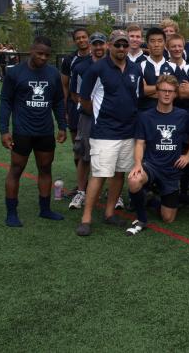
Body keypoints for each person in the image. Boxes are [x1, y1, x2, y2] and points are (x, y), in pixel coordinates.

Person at [76, 30, 142, 236]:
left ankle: (109, 212)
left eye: (124, 45)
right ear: (109, 46)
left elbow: (136, 96)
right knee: (99, 175)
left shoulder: (135, 68)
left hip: (128, 132)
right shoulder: (97, 69)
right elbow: (84, 100)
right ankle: (86, 218)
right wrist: (100, 116)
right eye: (117, 45)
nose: (121, 48)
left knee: (119, 173)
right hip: (104, 132)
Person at [0, 36, 67, 227]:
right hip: (22, 131)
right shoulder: (15, 73)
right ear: (31, 50)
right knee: (16, 169)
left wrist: (62, 126)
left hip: (45, 131)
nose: (43, 57)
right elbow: (5, 102)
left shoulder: (53, 73)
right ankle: (11, 213)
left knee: (45, 169)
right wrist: (4, 130)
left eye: (47, 54)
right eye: (40, 53)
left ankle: (45, 210)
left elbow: (58, 101)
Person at [125, 75, 189, 235]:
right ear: (157, 92)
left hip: (171, 171)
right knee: (134, 179)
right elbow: (139, 143)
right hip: (151, 166)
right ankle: (142, 219)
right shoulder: (145, 116)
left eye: (170, 91)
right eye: (163, 90)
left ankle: (150, 200)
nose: (166, 94)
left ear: (175, 94)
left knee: (168, 218)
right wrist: (138, 164)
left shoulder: (182, 115)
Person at [67, 33, 108, 210]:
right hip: (87, 116)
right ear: (91, 46)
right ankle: (81, 192)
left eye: (101, 44)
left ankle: (112, 194)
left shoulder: (114, 65)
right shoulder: (81, 67)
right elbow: (75, 94)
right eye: (95, 44)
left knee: (109, 156)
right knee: (84, 154)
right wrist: (91, 108)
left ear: (106, 45)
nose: (98, 48)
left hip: (108, 117)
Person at [60, 28, 90, 148]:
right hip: (75, 106)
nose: (81, 40)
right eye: (78, 38)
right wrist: (65, 110)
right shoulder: (69, 60)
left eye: (84, 37)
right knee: (77, 147)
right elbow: (65, 86)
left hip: (93, 105)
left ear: (88, 38)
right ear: (74, 41)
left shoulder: (98, 56)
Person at [138, 27, 181, 112]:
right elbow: (140, 91)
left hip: (169, 113)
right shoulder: (139, 67)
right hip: (144, 113)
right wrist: (168, 90)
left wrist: (148, 90)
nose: (156, 44)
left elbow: (179, 92)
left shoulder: (174, 67)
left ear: (165, 43)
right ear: (147, 44)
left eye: (160, 41)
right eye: (152, 41)